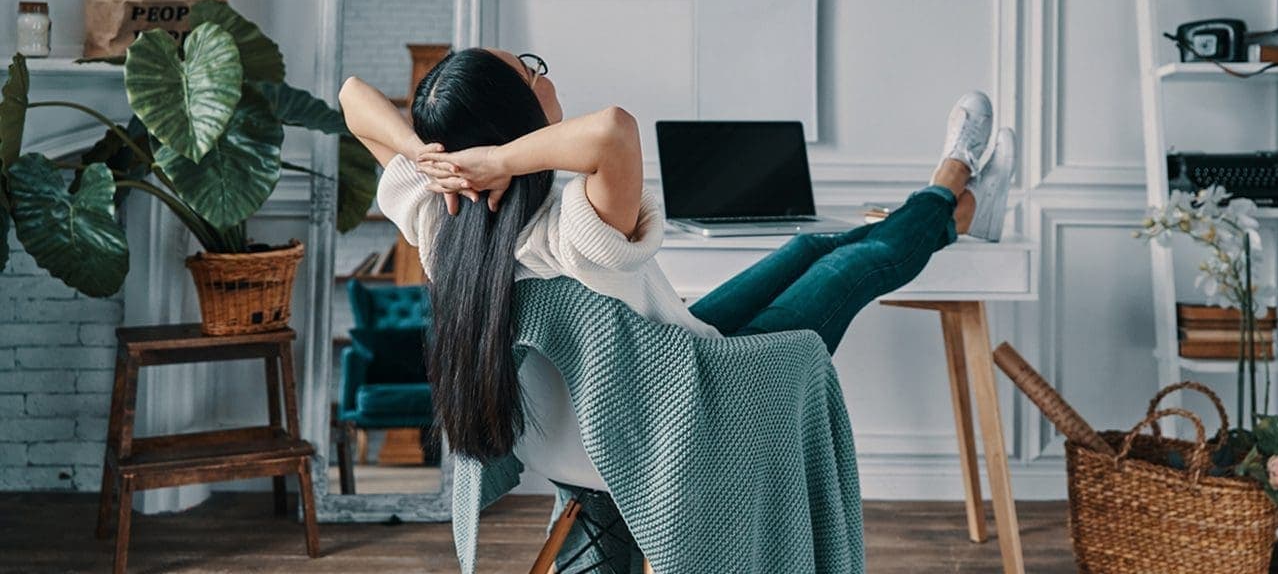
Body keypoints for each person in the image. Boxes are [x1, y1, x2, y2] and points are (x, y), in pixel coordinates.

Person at [339, 47, 1016, 462]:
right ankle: (953, 180)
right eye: (532, 70)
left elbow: (350, 99)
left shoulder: (440, 225)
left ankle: (958, 214)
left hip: (681, 357)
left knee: (812, 242)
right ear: (518, 118)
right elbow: (612, 129)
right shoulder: (574, 228)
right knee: (850, 267)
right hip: (700, 398)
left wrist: (429, 158)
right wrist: (495, 160)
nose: (549, 77)